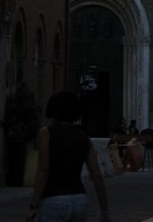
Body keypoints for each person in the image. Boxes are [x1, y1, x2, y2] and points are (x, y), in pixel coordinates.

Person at [28, 90, 110, 222]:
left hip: (53, 198)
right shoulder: (84, 138)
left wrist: (34, 205)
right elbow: (97, 175)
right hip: (79, 198)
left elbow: (43, 171)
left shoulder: (47, 133)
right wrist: (104, 210)